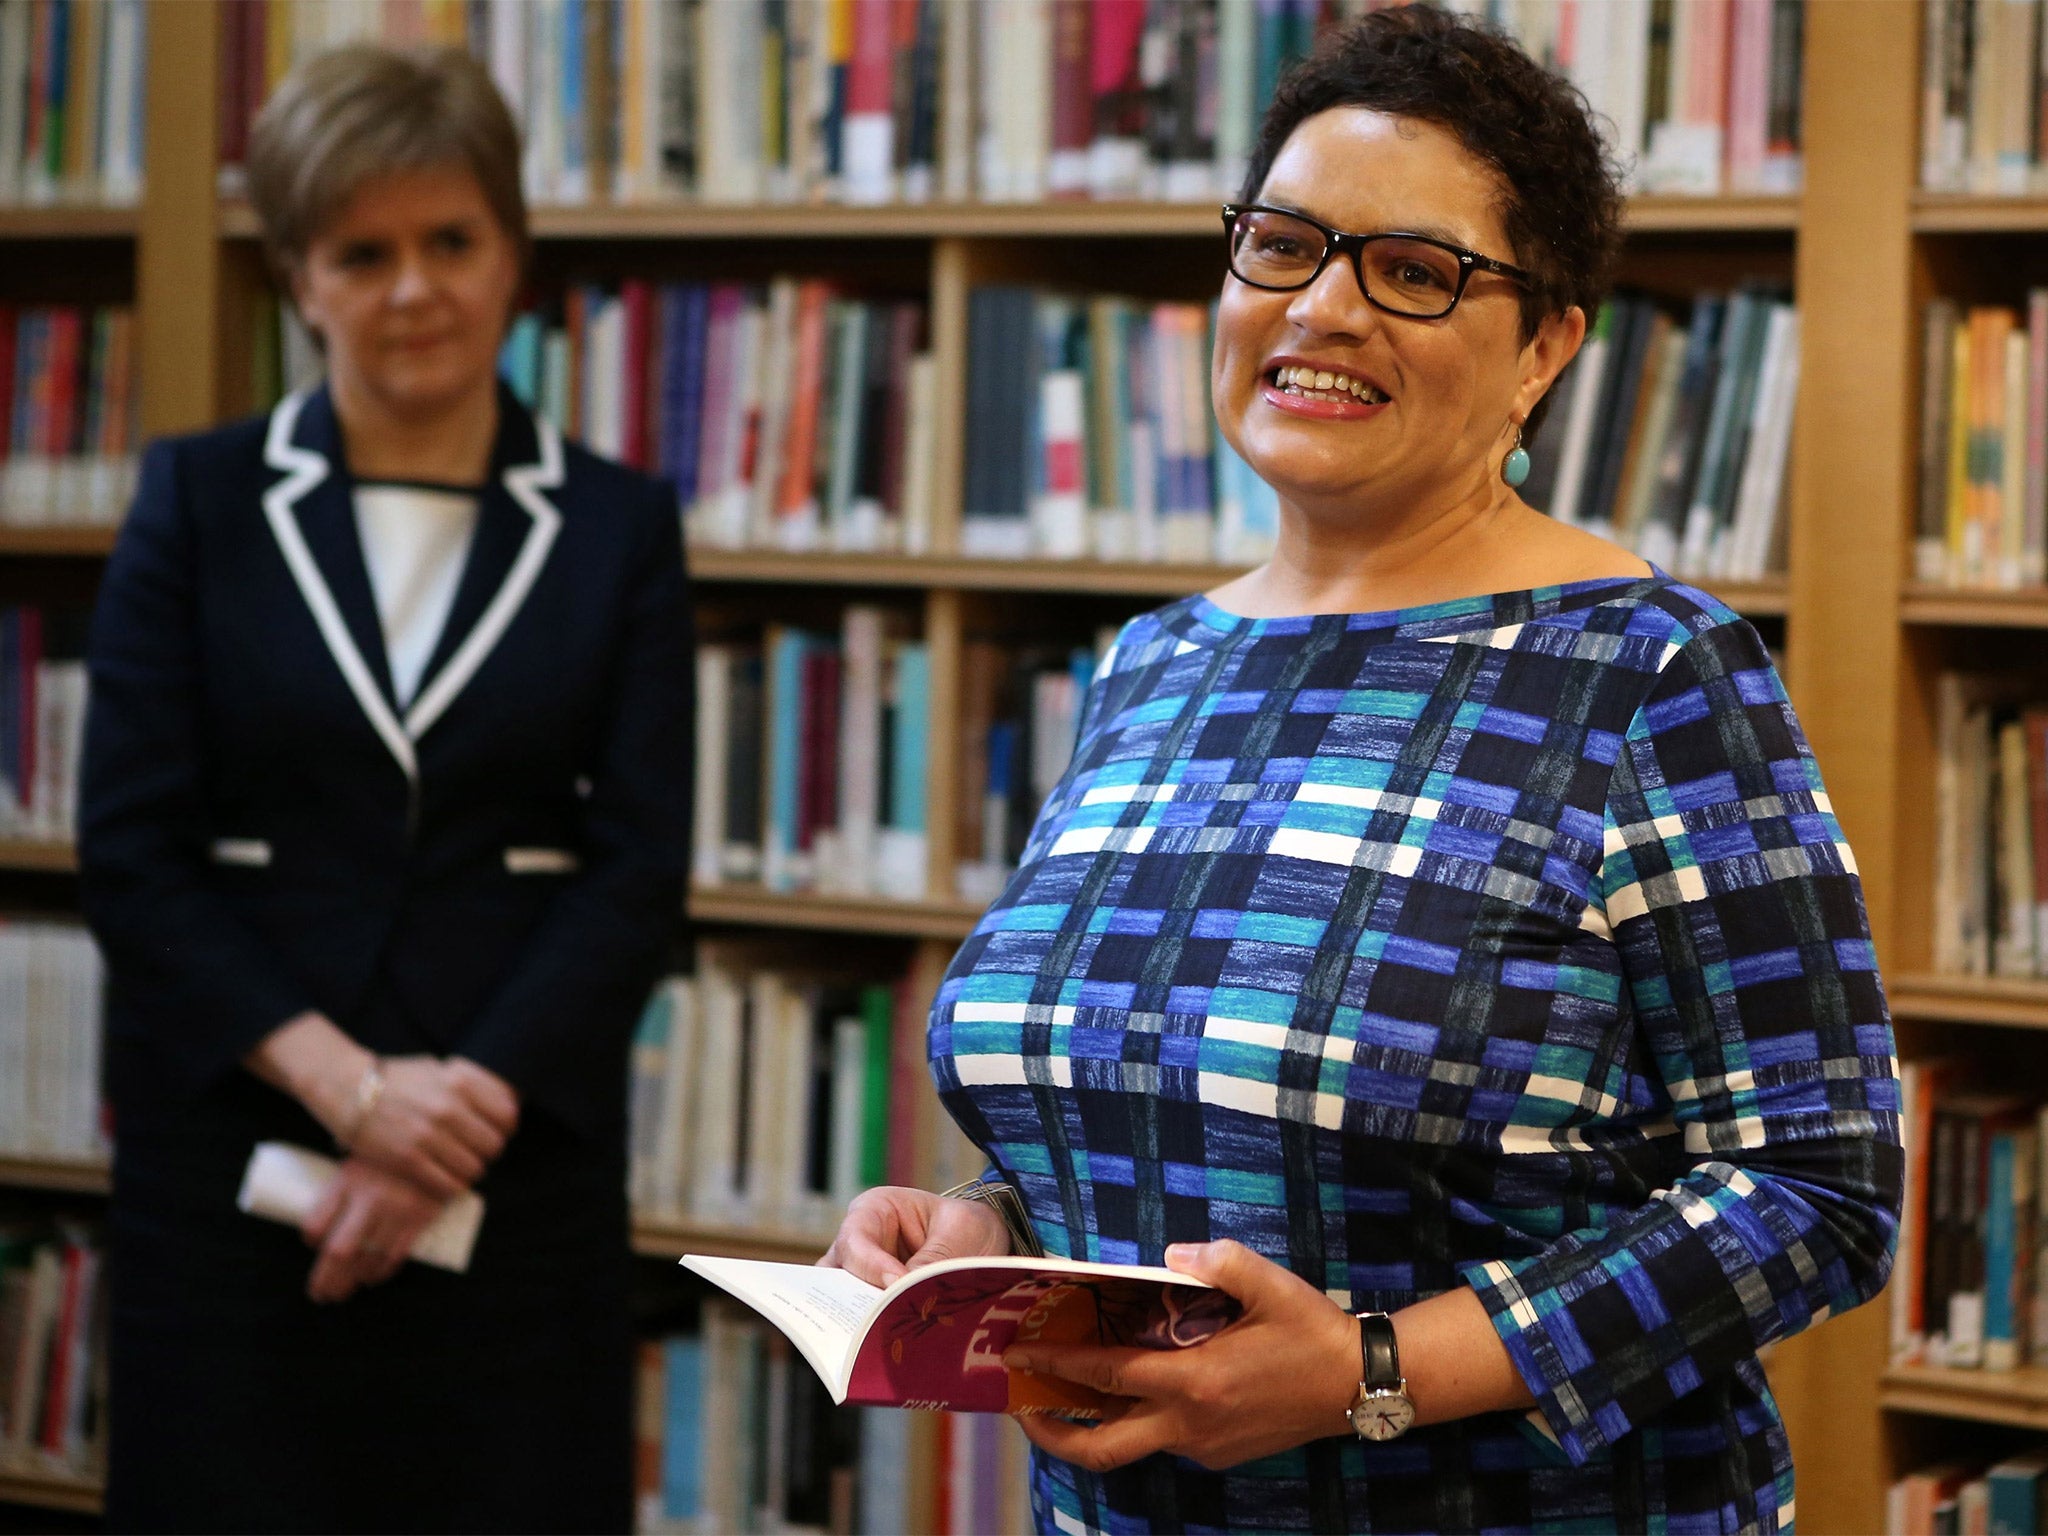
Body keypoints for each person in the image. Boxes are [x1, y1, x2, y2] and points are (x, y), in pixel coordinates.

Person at [822, 9, 1900, 1533]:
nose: (1324, 307)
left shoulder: (1652, 674)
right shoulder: (1150, 668)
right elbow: (1188, 1114)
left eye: (1414, 271)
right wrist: (986, 1232)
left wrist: (1373, 1369)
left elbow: (1817, 1197)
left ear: (1543, 350)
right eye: (1283, 243)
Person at [79, 44, 691, 1534]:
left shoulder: (618, 524)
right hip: (236, 1185)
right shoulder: (198, 501)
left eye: (450, 241)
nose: (413, 287)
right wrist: (352, 1095)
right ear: (298, 277)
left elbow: (636, 866)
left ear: (513, 252)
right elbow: (130, 851)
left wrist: (444, 1124)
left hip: (515, 1184)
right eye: (363, 252)